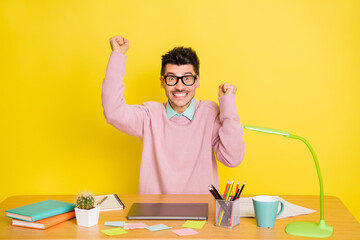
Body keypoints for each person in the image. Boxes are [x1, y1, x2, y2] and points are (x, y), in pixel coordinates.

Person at [102, 35, 245, 194]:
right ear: (162, 82)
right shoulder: (149, 115)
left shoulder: (209, 113)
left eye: (187, 78)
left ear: (197, 81)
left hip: (202, 212)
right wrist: (118, 56)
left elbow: (232, 159)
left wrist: (228, 105)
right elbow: (113, 112)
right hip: (155, 213)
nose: (179, 86)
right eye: (172, 78)